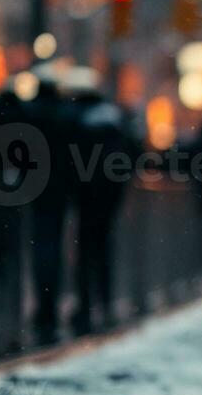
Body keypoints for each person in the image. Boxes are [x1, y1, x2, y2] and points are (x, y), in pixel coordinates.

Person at [69, 69, 132, 336]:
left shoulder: (80, 124)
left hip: (86, 198)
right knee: (104, 248)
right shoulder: (116, 125)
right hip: (109, 197)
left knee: (84, 251)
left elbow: (71, 163)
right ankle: (105, 303)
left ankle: (85, 305)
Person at [20, 70, 79, 344]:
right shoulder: (66, 116)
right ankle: (49, 308)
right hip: (59, 190)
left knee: (38, 247)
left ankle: (40, 309)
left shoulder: (28, 114)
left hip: (32, 188)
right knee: (52, 247)